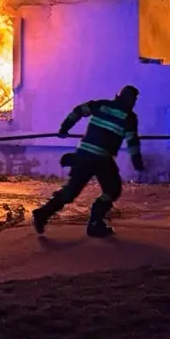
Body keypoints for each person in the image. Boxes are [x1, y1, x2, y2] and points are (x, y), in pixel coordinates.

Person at [32, 84, 144, 238]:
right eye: (135, 100)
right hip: (102, 157)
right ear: (131, 100)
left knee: (71, 191)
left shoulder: (102, 105)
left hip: (84, 153)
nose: (135, 103)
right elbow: (132, 142)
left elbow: (79, 110)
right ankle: (95, 224)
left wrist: (64, 128)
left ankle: (43, 213)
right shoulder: (129, 118)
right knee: (112, 189)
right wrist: (137, 162)